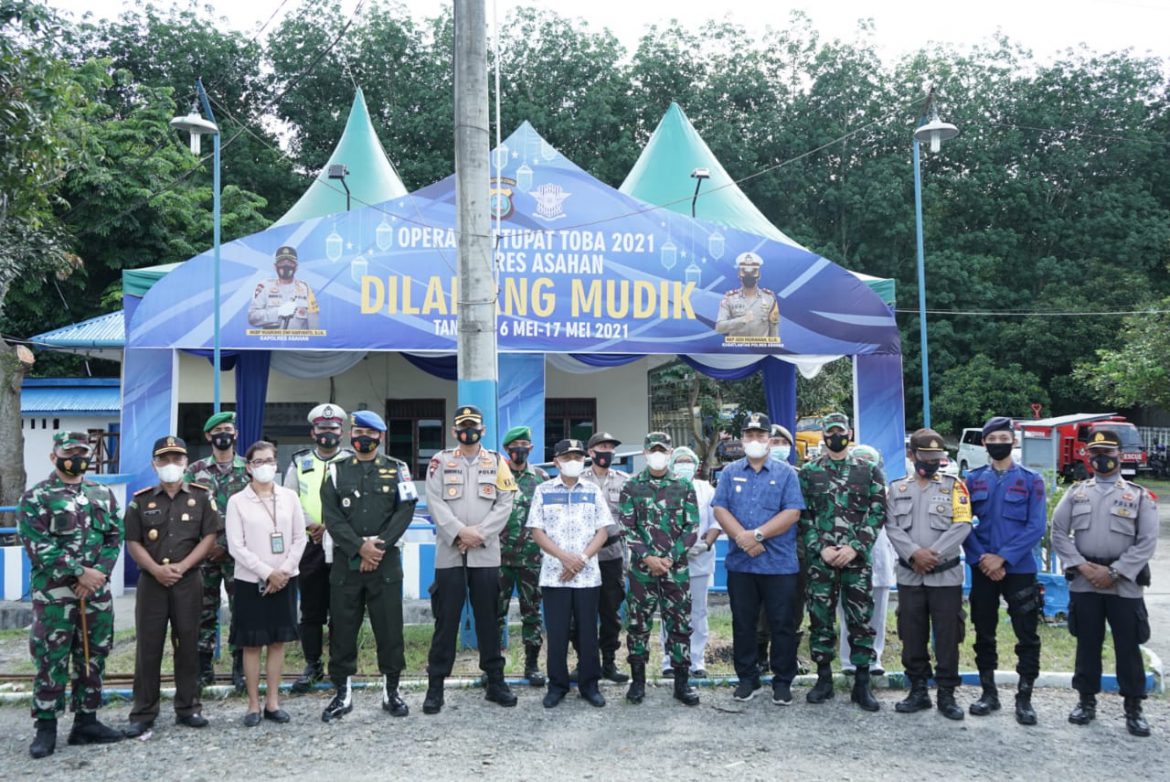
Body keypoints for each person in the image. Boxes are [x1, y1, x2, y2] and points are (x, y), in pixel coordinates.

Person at [18, 431, 125, 758]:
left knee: (93, 654)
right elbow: (38, 546)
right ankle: (46, 727)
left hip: (95, 592)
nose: (76, 457)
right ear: (54, 456)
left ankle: (86, 722)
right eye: (69, 451)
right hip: (56, 594)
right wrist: (79, 573)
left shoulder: (102, 494)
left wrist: (99, 575)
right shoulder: (37, 497)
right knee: (51, 657)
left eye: (82, 451)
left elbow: (114, 537)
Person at [1051, 429, 1157, 737]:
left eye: (1108, 453)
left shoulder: (1138, 496)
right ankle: (1086, 702)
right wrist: (1083, 567)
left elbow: (1147, 541)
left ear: (1119, 457)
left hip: (1124, 583)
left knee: (1128, 646)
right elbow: (1059, 532)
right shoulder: (1076, 493)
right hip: (1085, 582)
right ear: (1088, 457)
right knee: (1087, 644)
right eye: (1095, 453)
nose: (1102, 459)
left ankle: (1134, 708)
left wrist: (1114, 573)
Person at [319, 411, 418, 721]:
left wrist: (378, 548)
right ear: (351, 435)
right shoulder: (335, 472)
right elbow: (332, 517)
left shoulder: (398, 469)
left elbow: (405, 511)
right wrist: (359, 548)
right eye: (358, 431)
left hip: (385, 563)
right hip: (346, 563)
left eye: (370, 433)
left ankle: (392, 691)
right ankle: (342, 693)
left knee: (389, 628)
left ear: (380, 437)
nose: (364, 437)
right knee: (343, 629)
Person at [422, 405, 518, 714]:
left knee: (489, 619)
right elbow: (434, 501)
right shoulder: (440, 461)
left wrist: (480, 534)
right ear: (454, 431)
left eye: (473, 426)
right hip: (450, 552)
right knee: (446, 620)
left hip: (485, 553)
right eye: (462, 426)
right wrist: (460, 532)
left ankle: (495, 681)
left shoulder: (498, 462)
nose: (468, 431)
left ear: (483, 430)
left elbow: (506, 503)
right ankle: (435, 686)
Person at [123, 436, 219, 737]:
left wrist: (183, 566)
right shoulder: (140, 500)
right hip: (152, 583)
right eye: (164, 459)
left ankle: (189, 707)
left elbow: (209, 538)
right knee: (148, 648)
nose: (171, 465)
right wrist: (155, 569)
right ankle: (143, 712)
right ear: (154, 463)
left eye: (177, 459)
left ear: (186, 463)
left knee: (188, 644)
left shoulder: (203, 497)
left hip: (188, 581)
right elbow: (132, 541)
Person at [713, 413, 806, 706]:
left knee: (782, 623)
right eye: (750, 435)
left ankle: (782, 681)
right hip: (742, 564)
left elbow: (792, 512)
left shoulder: (786, 473)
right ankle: (747, 679)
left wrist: (758, 536)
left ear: (769, 439)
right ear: (743, 439)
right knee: (744, 623)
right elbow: (720, 508)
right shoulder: (729, 472)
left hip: (778, 564)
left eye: (760, 436)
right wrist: (742, 537)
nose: (755, 441)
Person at [798, 412, 886, 712]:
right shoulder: (808, 472)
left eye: (841, 430)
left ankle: (862, 683)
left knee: (861, 621)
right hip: (821, 561)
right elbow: (803, 515)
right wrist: (821, 548)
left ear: (850, 432)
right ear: (823, 435)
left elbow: (877, 512)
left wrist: (855, 547)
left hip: (856, 561)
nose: (836, 435)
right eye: (830, 431)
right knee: (821, 620)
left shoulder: (869, 470)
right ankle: (824, 679)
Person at [885, 428, 973, 721]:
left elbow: (962, 525)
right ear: (912, 456)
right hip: (910, 575)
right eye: (926, 456)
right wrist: (914, 553)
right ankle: (918, 690)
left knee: (948, 635)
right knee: (912, 633)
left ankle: (947, 693)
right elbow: (891, 526)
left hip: (944, 575)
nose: (933, 462)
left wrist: (931, 555)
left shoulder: (955, 486)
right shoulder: (897, 489)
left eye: (937, 457)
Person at [964, 416, 1046, 724]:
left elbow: (1036, 526)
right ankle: (989, 693)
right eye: (992, 439)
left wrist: (1004, 558)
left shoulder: (1031, 480)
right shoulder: (971, 480)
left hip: (1020, 569)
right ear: (984, 442)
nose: (998, 443)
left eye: (1004, 438)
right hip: (982, 566)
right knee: (984, 631)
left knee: (1027, 634)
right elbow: (963, 523)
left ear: (1013, 440)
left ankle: (1025, 698)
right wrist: (982, 558)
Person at [225, 441, 307, 727]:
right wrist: (266, 573)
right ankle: (252, 704)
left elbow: (300, 538)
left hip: (285, 579)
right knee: (251, 644)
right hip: (251, 582)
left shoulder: (289, 497)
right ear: (249, 467)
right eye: (259, 461)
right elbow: (236, 546)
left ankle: (273, 701)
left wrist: (282, 571)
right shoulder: (237, 501)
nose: (265, 466)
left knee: (276, 642)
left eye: (270, 460)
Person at [527, 439, 613, 708]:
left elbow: (603, 530)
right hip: (555, 574)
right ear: (556, 462)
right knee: (557, 633)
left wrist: (582, 558)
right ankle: (558, 685)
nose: (573, 461)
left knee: (588, 633)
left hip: (587, 575)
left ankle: (590, 685)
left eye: (577, 456)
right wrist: (564, 558)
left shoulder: (592, 490)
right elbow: (536, 531)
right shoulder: (543, 490)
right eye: (567, 457)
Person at [619, 432, 701, 707]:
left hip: (675, 571)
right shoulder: (632, 486)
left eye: (662, 450)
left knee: (679, 625)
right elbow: (627, 527)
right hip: (642, 572)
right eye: (653, 450)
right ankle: (638, 682)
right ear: (645, 453)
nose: (657, 454)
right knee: (638, 626)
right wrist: (649, 558)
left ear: (669, 453)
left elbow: (692, 527)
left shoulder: (682, 485)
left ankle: (682, 682)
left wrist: (669, 558)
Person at [283, 403, 353, 694]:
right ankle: (312, 665)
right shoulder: (299, 462)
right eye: (323, 429)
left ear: (342, 432)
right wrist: (312, 524)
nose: (328, 434)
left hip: (343, 546)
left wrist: (336, 528)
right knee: (311, 611)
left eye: (333, 429)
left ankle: (340, 668)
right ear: (313, 432)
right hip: (310, 544)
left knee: (342, 611)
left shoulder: (352, 460)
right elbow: (289, 498)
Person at [184, 411, 250, 690]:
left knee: (243, 610)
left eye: (229, 429)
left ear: (235, 435)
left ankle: (240, 667)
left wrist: (227, 545)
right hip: (204, 554)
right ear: (209, 436)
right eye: (218, 430)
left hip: (240, 556)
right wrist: (208, 545)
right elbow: (186, 513)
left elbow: (255, 511)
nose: (224, 434)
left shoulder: (248, 468)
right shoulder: (195, 471)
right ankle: (203, 668)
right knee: (203, 611)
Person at [659, 446, 721, 679]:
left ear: (695, 466)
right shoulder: (663, 488)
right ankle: (669, 661)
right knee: (670, 612)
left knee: (698, 611)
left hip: (699, 559)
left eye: (688, 461)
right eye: (679, 461)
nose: (684, 465)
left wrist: (705, 543)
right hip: (669, 562)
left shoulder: (706, 489)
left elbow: (717, 522)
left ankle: (697, 660)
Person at [497, 425, 549, 686]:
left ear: (531, 448)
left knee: (532, 613)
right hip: (499, 560)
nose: (519, 450)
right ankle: (493, 667)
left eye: (524, 445)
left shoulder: (540, 478)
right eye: (514, 445)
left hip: (532, 559)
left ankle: (531, 664)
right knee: (495, 613)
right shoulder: (495, 475)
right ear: (507, 449)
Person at [577, 431, 631, 683]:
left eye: (611, 447)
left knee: (610, 612)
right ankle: (584, 662)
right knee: (582, 612)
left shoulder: (624, 481)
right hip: (582, 557)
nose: (607, 451)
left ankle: (609, 662)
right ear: (591, 452)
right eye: (602, 447)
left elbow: (630, 519)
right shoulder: (577, 479)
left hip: (612, 556)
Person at [839, 444, 894, 677]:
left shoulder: (891, 493)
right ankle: (847, 660)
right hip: (848, 560)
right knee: (847, 614)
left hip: (880, 560)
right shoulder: (841, 492)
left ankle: (874, 659)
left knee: (877, 614)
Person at [247, 245, 320, 330]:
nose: (286, 266)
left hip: (298, 342)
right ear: (275, 267)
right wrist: (278, 312)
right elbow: (252, 317)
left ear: (296, 267)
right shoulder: (265, 287)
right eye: (282, 263)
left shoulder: (306, 289)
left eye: (290, 263)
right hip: (272, 341)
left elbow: (314, 326)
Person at [714, 251, 779, 340]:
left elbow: (774, 329)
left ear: (759, 275)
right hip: (736, 350)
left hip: (760, 350)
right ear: (739, 275)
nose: (749, 276)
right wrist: (742, 320)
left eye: (753, 272)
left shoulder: (769, 298)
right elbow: (719, 327)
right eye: (745, 272)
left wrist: (773, 350)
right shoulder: (729, 298)